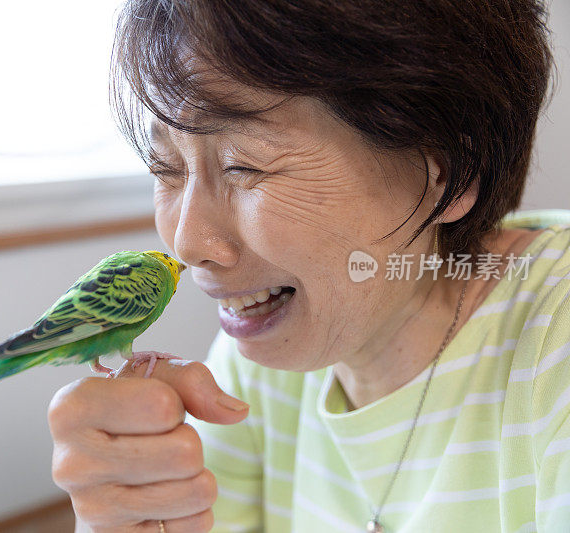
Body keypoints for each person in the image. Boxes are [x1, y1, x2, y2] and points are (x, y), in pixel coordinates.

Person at [48, 1, 570, 531]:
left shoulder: (555, 347)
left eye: (244, 165)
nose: (187, 243)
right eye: (166, 168)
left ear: (446, 174)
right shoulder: (256, 358)